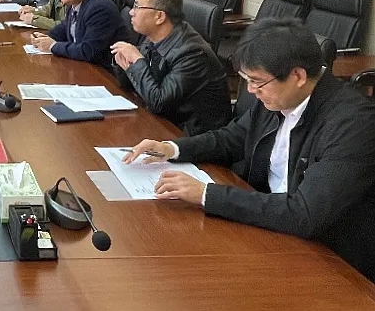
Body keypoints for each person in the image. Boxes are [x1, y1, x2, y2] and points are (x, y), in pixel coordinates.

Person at [123, 18, 375, 281]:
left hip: (331, 261)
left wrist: (207, 194)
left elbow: (305, 213)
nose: (252, 91)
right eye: (248, 80)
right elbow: (230, 139)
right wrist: (171, 148)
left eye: (257, 82)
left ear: (298, 76)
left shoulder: (354, 124)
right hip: (268, 227)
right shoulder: (278, 98)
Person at [110, 0, 231, 135]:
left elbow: (159, 102)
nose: (131, 12)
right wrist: (125, 63)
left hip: (190, 136)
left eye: (137, 7)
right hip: (163, 122)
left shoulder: (192, 53)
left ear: (160, 16)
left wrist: (138, 61)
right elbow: (133, 86)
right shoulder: (154, 36)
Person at [31, 0, 126, 69]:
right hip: (81, 67)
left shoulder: (99, 8)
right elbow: (65, 27)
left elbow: (88, 50)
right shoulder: (76, 2)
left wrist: (53, 45)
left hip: (101, 73)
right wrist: (45, 37)